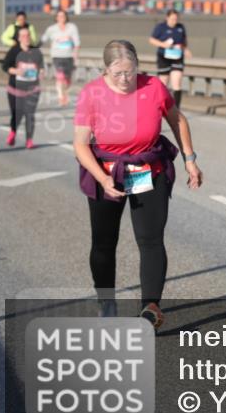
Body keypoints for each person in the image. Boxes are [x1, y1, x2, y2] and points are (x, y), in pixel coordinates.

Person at [74, 40, 204, 329]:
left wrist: (190, 159)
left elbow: (177, 120)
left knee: (150, 238)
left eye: (130, 72)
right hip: (106, 171)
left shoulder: (153, 87)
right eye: (117, 73)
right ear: (105, 70)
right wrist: (103, 178)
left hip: (149, 168)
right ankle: (106, 301)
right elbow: (80, 145)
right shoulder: (91, 93)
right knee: (104, 242)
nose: (125, 79)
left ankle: (150, 307)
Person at [2, 26, 44, 149]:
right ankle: (13, 132)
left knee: (30, 114)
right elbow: (5, 66)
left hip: (32, 89)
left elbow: (41, 66)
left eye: (28, 35)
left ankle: (29, 140)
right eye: (23, 36)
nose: (26, 38)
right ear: (19, 38)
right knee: (17, 113)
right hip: (15, 89)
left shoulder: (36, 51)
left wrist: (41, 72)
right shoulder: (14, 51)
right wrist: (15, 71)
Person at [149, 9, 190, 109]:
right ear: (167, 18)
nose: (174, 21)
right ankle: (160, 106)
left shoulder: (180, 27)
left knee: (177, 82)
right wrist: (163, 44)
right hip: (164, 56)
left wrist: (186, 49)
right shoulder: (161, 27)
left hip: (177, 57)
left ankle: (176, 109)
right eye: (172, 19)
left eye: (176, 19)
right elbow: (152, 40)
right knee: (163, 82)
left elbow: (184, 41)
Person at [41, 9, 81, 106]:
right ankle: (61, 97)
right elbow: (43, 39)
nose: (61, 18)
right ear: (56, 18)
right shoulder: (52, 29)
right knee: (60, 76)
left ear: (66, 17)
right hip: (57, 56)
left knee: (67, 79)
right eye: (59, 16)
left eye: (63, 16)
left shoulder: (72, 27)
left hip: (69, 56)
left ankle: (65, 93)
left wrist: (75, 55)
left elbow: (77, 43)